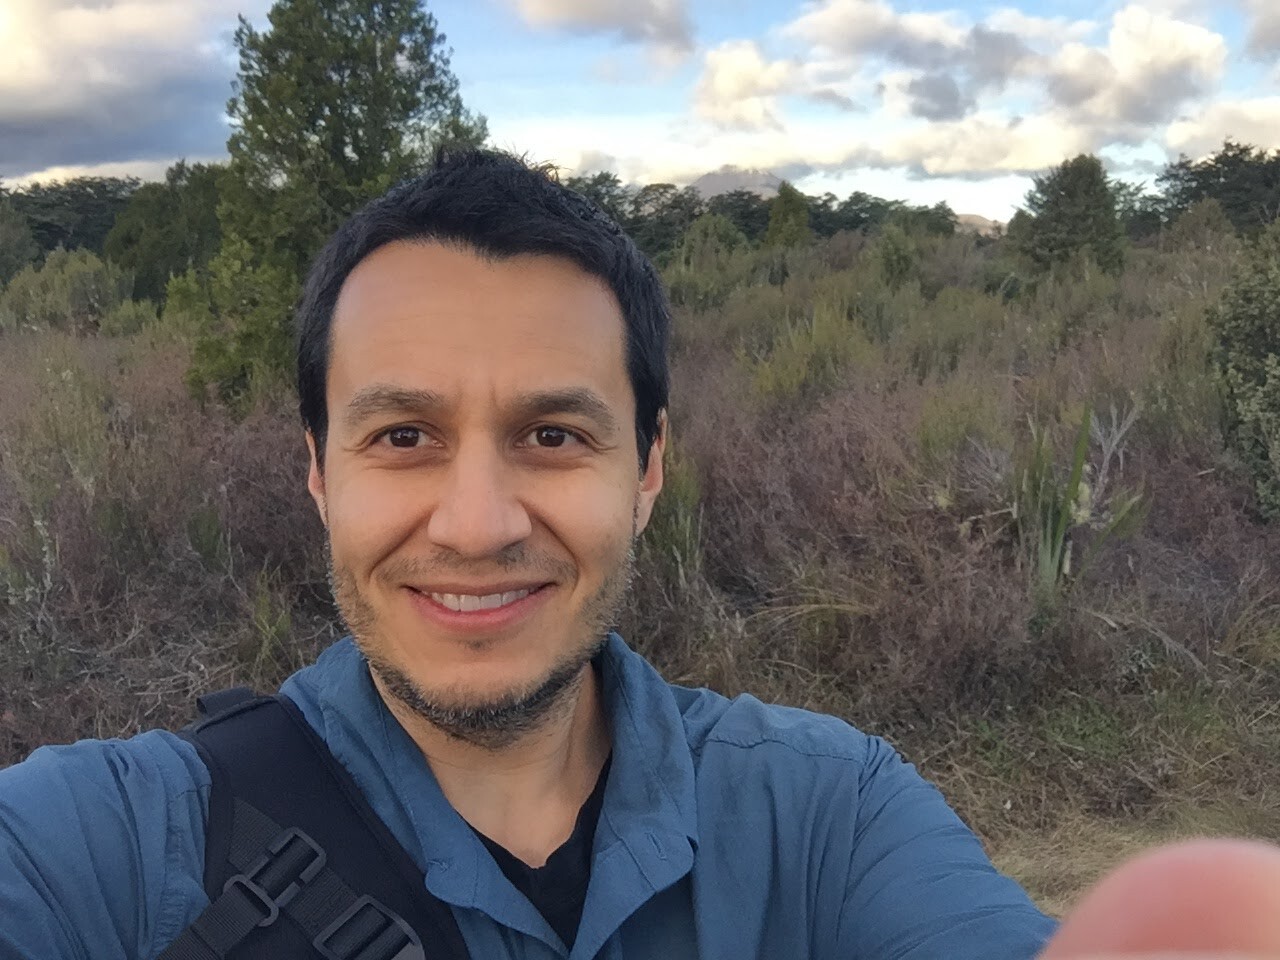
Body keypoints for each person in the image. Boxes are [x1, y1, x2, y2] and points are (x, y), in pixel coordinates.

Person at [0, 149, 1267, 960]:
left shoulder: (824, 817)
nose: (478, 522)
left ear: (647, 467)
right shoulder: (106, 845)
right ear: (319, 471)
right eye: (403, 436)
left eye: (552, 434)